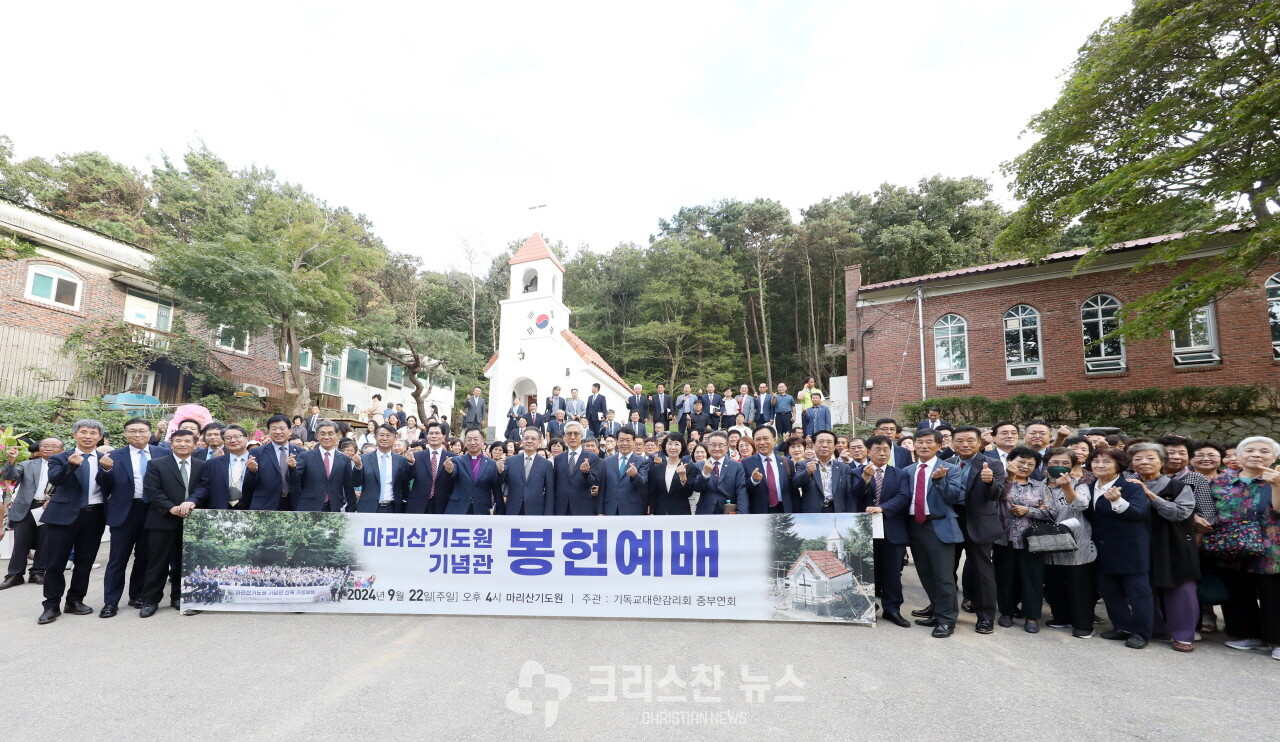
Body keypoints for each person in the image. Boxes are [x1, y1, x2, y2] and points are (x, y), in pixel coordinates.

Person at [886, 429, 963, 638]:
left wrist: (940, 481)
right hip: (914, 526)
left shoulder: (951, 468)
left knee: (943, 576)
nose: (924, 446)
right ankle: (937, 611)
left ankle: (947, 620)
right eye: (919, 442)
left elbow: (954, 497)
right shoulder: (907, 470)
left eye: (929, 442)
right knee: (926, 573)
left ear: (939, 446)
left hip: (939, 526)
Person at [1209, 436, 1280, 661]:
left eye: (1264, 451)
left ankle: (1277, 640)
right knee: (1238, 589)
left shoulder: (1276, 478)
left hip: (1271, 546)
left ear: (1274, 457)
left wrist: (1277, 485)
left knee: (1272, 593)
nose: (1256, 454)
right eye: (1249, 450)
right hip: (1232, 544)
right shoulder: (1221, 481)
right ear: (1238, 456)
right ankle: (1248, 635)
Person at [38, 420, 114, 625]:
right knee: (55, 562)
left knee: (85, 561)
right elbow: (55, 480)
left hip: (94, 515)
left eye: (93, 433)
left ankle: (75, 600)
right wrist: (70, 466)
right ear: (75, 435)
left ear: (100, 437)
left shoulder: (106, 459)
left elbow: (113, 486)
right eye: (83, 432)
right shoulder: (60, 457)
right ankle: (51, 605)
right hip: (63, 515)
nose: (88, 436)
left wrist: (107, 471)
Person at [1127, 442, 1199, 651]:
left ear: (1162, 462)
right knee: (1144, 587)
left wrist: (1149, 494)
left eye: (1150, 458)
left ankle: (1184, 635)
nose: (1144, 462)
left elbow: (1179, 514)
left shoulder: (1179, 486)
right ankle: (1155, 627)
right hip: (1140, 544)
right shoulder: (1126, 484)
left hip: (1174, 544)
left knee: (1180, 589)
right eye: (1138, 459)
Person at [98, 418, 169, 618]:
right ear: (125, 434)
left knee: (145, 556)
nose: (137, 435)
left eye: (142, 431)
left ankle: (137, 594)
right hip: (125, 512)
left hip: (154, 510)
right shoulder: (113, 455)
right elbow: (103, 485)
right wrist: (105, 470)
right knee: (117, 559)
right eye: (132, 431)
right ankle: (110, 602)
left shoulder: (163, 453)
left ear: (149, 432)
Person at [1085, 447, 1153, 649]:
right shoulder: (1090, 488)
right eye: (1096, 461)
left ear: (1118, 465)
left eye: (1106, 461)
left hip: (1130, 549)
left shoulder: (1132, 487)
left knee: (1138, 593)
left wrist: (1118, 501)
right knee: (1110, 591)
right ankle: (1122, 626)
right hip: (1101, 548)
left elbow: (1139, 514)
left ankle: (1141, 633)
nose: (1100, 465)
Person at [947, 425, 1005, 635]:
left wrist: (989, 483)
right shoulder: (947, 463)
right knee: (946, 570)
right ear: (952, 444)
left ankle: (985, 617)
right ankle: (943, 611)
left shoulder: (993, 464)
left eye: (970, 440)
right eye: (960, 440)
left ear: (980, 442)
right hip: (952, 521)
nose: (965, 444)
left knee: (982, 571)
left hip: (978, 522)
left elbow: (997, 495)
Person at [138, 428, 203, 617]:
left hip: (191, 520)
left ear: (195, 444)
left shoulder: (201, 465)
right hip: (162, 519)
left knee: (185, 563)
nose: (183, 444)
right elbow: (152, 490)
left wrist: (193, 502)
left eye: (187, 441)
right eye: (178, 441)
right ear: (171, 444)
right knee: (157, 562)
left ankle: (179, 597)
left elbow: (203, 487)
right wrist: (170, 507)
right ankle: (150, 600)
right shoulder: (156, 464)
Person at [994, 446, 1052, 634]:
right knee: (1005, 577)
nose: (1025, 466)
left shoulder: (1040, 487)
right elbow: (997, 499)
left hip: (1033, 540)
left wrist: (1029, 510)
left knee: (1033, 579)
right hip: (1004, 538)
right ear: (1010, 462)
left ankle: (1032, 616)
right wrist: (1009, 479)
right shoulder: (999, 482)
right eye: (1021, 462)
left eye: (1030, 464)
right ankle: (1006, 612)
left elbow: (1051, 512)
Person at [1042, 447, 1098, 638]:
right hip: (1048, 542)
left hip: (1076, 541)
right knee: (1054, 581)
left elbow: (1081, 505)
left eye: (1065, 463)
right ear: (1046, 464)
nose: (1060, 467)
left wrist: (1066, 487)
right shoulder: (1040, 485)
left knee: (1079, 584)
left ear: (1073, 466)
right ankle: (1061, 617)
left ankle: (1083, 624)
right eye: (1055, 463)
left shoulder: (1081, 484)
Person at [860, 435, 913, 627]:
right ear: (868, 451)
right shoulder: (858, 472)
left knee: (892, 572)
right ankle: (868, 607)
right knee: (867, 571)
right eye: (877, 449)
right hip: (865, 530)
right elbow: (854, 495)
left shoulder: (900, 474)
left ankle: (892, 609)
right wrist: (865, 479)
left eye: (885, 449)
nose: (882, 453)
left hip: (892, 527)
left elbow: (904, 496)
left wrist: (883, 508)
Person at [0, 437, 62, 590]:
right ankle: (14, 575)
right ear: (39, 449)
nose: (48, 448)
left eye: (53, 446)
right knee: (21, 542)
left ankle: (38, 572)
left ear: (61, 450)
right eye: (45, 446)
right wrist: (12, 460)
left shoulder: (65, 465)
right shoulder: (27, 465)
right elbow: (9, 477)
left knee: (45, 541)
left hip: (50, 507)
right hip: (27, 507)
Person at [288, 420, 357, 512]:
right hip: (309, 507)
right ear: (317, 436)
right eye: (323, 434)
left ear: (337, 435)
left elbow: (349, 486)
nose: (326, 437)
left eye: (330, 433)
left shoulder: (344, 459)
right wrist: (292, 468)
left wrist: (351, 508)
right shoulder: (305, 456)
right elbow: (295, 481)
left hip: (335, 507)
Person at [247, 415, 305, 511]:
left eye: (282, 428)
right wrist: (252, 472)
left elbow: (303, 481)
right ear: (269, 431)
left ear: (290, 431)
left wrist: (293, 468)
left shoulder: (301, 453)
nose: (278, 432)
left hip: (293, 503)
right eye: (274, 429)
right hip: (265, 504)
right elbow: (249, 484)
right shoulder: (257, 452)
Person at [193, 424, 256, 511]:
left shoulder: (258, 460)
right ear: (224, 441)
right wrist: (192, 501)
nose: (233, 440)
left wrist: (254, 471)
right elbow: (204, 486)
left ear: (246, 439)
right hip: (220, 509)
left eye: (237, 437)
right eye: (228, 438)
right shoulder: (213, 463)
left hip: (251, 509)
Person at [351, 424, 410, 513]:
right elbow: (356, 482)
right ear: (375, 437)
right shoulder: (364, 459)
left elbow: (405, 485)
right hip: (368, 508)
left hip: (393, 508)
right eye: (381, 435)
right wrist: (358, 466)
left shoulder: (401, 460)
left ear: (395, 439)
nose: (384, 438)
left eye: (388, 435)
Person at [441, 428, 502, 514]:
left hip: (481, 509)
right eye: (469, 440)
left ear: (482, 441)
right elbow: (452, 474)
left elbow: (496, 486)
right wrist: (449, 470)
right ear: (465, 442)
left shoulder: (492, 464)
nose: (472, 442)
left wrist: (500, 473)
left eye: (476, 439)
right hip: (458, 508)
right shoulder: (457, 460)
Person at [793, 431, 853, 513]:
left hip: (837, 511)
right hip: (812, 512)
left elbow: (849, 495)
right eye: (820, 442)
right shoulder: (803, 465)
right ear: (813, 445)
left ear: (834, 447)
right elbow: (795, 484)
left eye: (829, 442)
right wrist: (807, 472)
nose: (824, 445)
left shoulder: (844, 468)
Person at [502, 428, 555, 515]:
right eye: (526, 438)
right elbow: (501, 481)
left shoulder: (546, 464)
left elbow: (549, 493)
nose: (529, 441)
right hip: (513, 509)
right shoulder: (510, 461)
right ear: (522, 440)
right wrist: (499, 472)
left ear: (539, 442)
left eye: (533, 439)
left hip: (536, 511)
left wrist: (547, 515)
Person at [598, 428, 650, 515]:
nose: (624, 443)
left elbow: (642, 483)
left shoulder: (643, 461)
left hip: (632, 510)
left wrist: (635, 475)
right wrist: (600, 511)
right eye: (621, 440)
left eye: (628, 440)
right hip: (610, 509)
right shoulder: (606, 461)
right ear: (617, 442)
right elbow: (602, 488)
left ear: (634, 442)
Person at [691, 431, 745, 515]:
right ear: (708, 447)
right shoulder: (699, 465)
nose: (716, 448)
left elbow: (741, 491)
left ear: (726, 448)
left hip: (729, 512)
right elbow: (697, 488)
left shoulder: (737, 466)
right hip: (705, 512)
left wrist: (742, 513)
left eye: (720, 445)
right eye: (713, 445)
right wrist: (704, 474)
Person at [405, 422, 453, 514]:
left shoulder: (453, 458)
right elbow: (406, 478)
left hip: (444, 505)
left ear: (444, 437)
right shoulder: (416, 456)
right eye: (431, 433)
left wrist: (450, 471)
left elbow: (456, 481)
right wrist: (410, 463)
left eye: (437, 433)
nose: (433, 436)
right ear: (427, 436)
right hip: (418, 505)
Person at [553, 422, 600, 515]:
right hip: (561, 508)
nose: (572, 437)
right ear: (565, 437)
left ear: (581, 436)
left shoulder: (592, 457)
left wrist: (586, 473)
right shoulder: (559, 458)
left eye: (576, 433)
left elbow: (592, 482)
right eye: (569, 434)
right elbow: (555, 483)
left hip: (582, 507)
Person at [649, 434, 692, 515]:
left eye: (676, 444)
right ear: (665, 446)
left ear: (682, 447)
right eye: (670, 444)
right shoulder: (657, 468)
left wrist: (683, 476)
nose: (673, 447)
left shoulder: (688, 467)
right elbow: (653, 493)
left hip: (681, 513)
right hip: (660, 512)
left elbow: (688, 493)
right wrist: (652, 511)